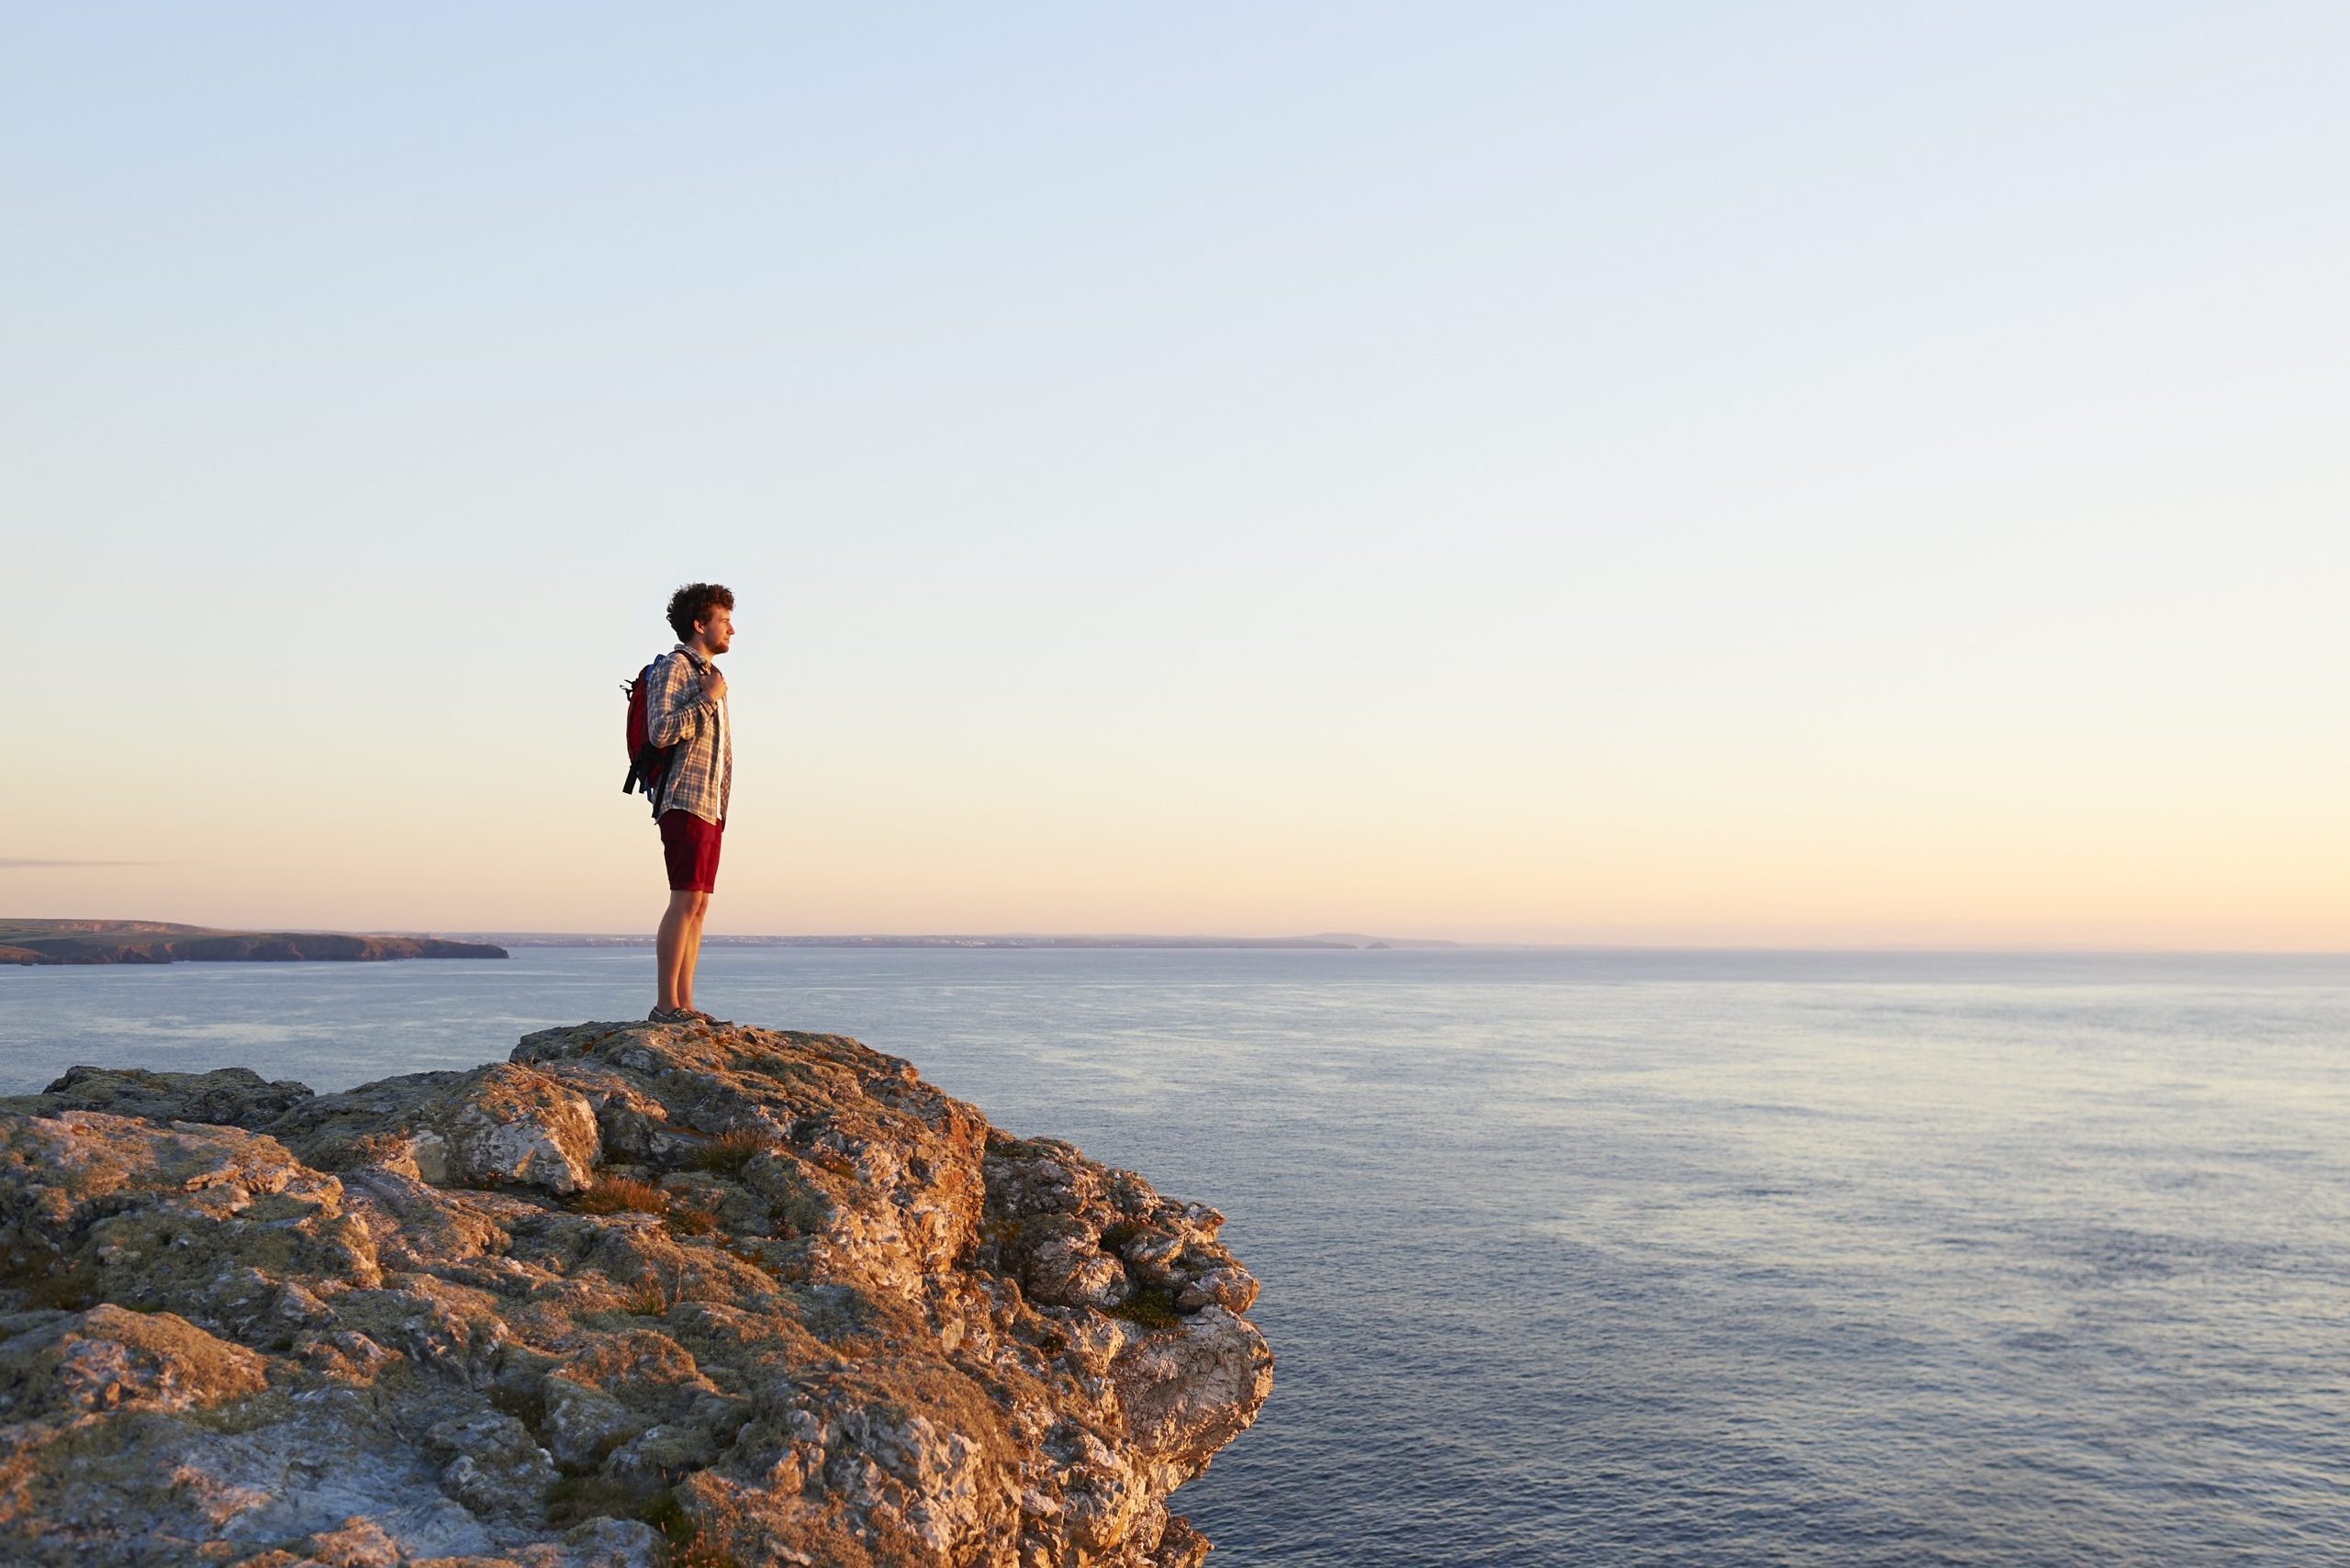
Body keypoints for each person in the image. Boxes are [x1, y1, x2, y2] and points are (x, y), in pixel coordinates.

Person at [646, 582, 734, 1025]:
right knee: (684, 900)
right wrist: (707, 699)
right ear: (700, 624)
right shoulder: (675, 669)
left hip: (708, 805)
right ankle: (666, 1006)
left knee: (698, 904)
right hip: (683, 798)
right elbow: (660, 730)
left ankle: (685, 1003)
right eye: (723, 620)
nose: (732, 630)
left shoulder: (710, 676)